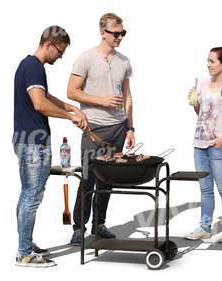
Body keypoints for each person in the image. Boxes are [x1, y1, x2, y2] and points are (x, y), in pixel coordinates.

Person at [13, 26, 88, 267]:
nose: (61, 56)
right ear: (48, 45)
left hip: (25, 140)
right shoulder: (34, 66)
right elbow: (39, 104)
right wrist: (71, 117)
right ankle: (24, 253)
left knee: (27, 194)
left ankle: (25, 242)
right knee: (31, 196)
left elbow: (44, 96)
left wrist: (70, 107)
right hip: (34, 143)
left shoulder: (28, 65)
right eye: (60, 51)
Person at [67, 13, 135, 244]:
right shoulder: (85, 59)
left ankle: (99, 225)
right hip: (94, 128)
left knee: (108, 179)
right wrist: (102, 100)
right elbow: (72, 92)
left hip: (118, 127)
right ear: (102, 33)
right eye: (116, 33)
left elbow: (128, 97)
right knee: (88, 178)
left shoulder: (124, 61)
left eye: (122, 33)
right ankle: (78, 228)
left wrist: (130, 128)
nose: (120, 37)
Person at [185, 47, 222, 243]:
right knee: (205, 189)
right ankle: (204, 227)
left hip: (219, 146)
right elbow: (201, 114)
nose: (208, 64)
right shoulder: (203, 84)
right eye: (207, 61)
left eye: (212, 61)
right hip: (199, 144)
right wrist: (194, 102)